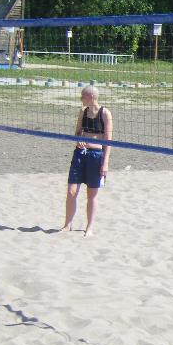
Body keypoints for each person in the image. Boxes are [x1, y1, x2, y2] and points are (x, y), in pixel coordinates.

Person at [60, 85, 112, 237]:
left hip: (96, 156)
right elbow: (77, 132)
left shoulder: (105, 113)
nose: (81, 99)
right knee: (71, 191)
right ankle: (67, 225)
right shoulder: (82, 111)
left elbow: (108, 141)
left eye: (82, 96)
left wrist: (105, 163)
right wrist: (78, 139)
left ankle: (89, 227)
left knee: (91, 194)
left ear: (91, 97)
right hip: (80, 154)